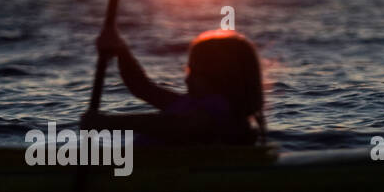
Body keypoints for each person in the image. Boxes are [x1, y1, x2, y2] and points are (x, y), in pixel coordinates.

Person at [81, 27, 265, 145]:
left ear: (222, 78)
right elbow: (143, 88)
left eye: (195, 73)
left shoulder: (219, 112)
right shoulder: (190, 104)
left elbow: (177, 124)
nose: (186, 80)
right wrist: (121, 51)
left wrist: (107, 123)